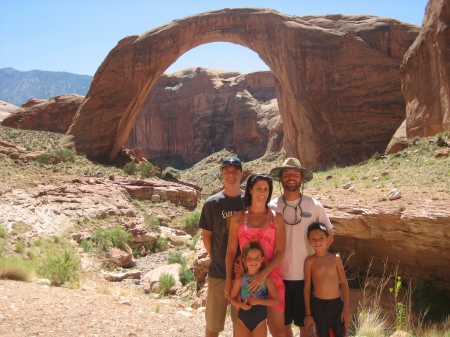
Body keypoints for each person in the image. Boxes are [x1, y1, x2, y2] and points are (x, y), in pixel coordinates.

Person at [268, 158, 334, 337]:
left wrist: (318, 262)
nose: (291, 177)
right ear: (281, 179)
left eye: (295, 174)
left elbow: (330, 236)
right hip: (279, 277)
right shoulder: (271, 207)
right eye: (287, 174)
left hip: (308, 278)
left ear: (301, 179)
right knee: (282, 327)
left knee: (307, 325)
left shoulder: (313, 206)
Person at [225, 173, 286, 337]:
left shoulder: (277, 218)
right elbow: (231, 251)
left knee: (278, 330)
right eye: (258, 188)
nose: (262, 192)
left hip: (271, 276)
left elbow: (280, 252)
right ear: (250, 190)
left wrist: (263, 274)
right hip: (245, 278)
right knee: (246, 327)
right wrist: (228, 280)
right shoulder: (238, 218)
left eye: (266, 189)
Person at [198, 156, 245, 337]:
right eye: (227, 171)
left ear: (241, 174)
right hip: (218, 272)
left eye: (235, 171)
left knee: (240, 326)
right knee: (213, 325)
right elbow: (207, 235)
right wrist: (217, 258)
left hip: (244, 273)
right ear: (221, 174)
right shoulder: (212, 203)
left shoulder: (248, 201)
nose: (231, 175)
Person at [304, 222, 350, 337]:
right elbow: (307, 288)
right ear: (308, 241)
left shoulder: (335, 258)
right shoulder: (309, 261)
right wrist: (308, 314)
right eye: (313, 239)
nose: (318, 242)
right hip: (318, 306)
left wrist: (346, 309)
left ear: (328, 239)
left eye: (321, 238)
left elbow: (344, 283)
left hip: (336, 306)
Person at [230, 241, 280, 337]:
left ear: (262, 259)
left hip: (260, 322)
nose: (253, 261)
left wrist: (258, 301)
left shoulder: (267, 280)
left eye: (257, 258)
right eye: (249, 258)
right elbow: (232, 298)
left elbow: (276, 301)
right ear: (244, 260)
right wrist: (241, 304)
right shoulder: (240, 280)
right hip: (242, 320)